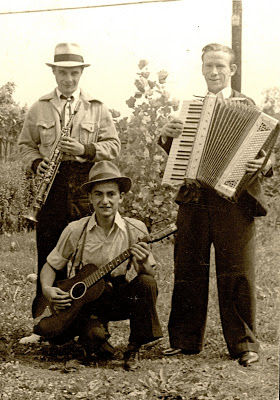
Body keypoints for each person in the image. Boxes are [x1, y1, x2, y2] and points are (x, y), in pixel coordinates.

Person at [159, 43, 274, 367]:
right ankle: (184, 341)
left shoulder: (247, 105)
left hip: (235, 202)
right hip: (194, 199)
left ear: (232, 70)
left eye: (220, 66)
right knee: (188, 269)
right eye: (209, 66)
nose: (214, 72)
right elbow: (178, 156)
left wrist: (261, 165)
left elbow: (267, 154)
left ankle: (243, 344)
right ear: (202, 68)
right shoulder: (190, 109)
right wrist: (168, 135)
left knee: (238, 272)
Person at [18, 43, 121, 330]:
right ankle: (43, 322)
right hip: (50, 187)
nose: (69, 79)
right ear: (54, 72)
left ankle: (85, 318)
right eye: (63, 73)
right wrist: (37, 163)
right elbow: (25, 146)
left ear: (80, 73)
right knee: (49, 248)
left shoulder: (97, 108)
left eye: (74, 73)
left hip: (85, 184)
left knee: (86, 251)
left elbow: (114, 146)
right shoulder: (38, 107)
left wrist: (85, 148)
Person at [35, 160, 163, 370]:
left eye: (111, 194)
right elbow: (50, 265)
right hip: (86, 301)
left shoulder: (136, 229)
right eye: (98, 194)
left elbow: (148, 274)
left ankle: (134, 347)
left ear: (121, 197)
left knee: (146, 283)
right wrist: (48, 290)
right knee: (93, 341)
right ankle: (96, 339)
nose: (105, 201)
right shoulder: (76, 230)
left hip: (119, 295)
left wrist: (142, 262)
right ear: (90, 199)